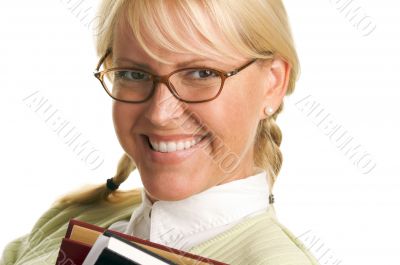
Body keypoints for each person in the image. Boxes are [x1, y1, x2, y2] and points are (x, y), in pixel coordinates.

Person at [1, 0, 320, 264]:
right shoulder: (67, 221)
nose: (159, 113)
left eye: (201, 73)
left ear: (272, 83)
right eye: (133, 73)